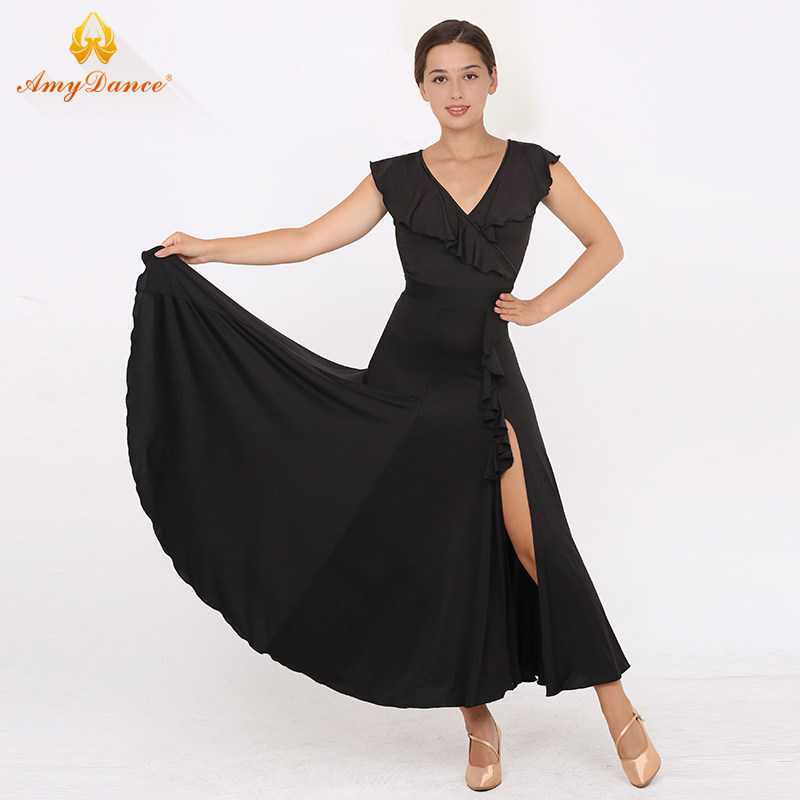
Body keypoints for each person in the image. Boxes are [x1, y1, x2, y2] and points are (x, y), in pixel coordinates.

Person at [127, 18, 660, 793]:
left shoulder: (535, 168)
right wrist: (210, 248)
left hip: (488, 375)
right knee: (436, 554)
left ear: (493, 80)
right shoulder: (396, 178)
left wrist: (542, 305)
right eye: (439, 77)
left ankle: (619, 710)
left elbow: (605, 244)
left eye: (469, 74)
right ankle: (478, 723)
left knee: (536, 542)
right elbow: (308, 238)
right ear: (422, 89)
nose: (455, 90)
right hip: (408, 381)